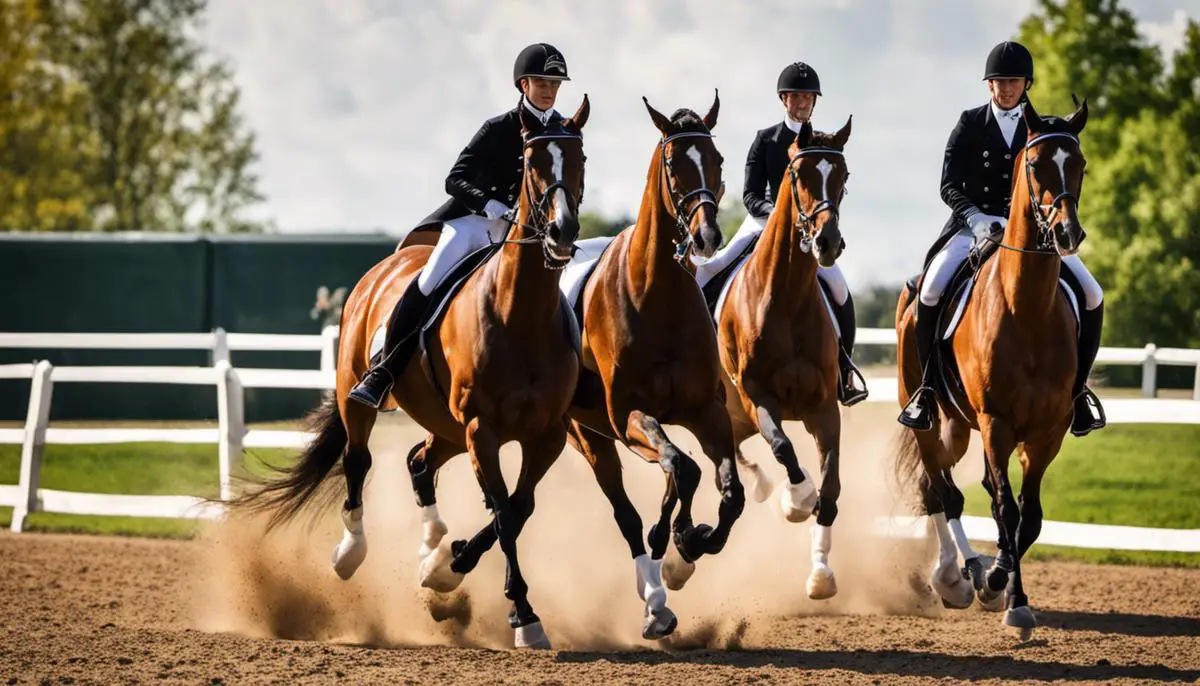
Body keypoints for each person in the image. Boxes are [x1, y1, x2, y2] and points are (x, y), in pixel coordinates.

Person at [897, 40, 1106, 437]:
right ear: (988, 85)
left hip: (1032, 232)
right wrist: (974, 217)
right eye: (998, 81)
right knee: (929, 292)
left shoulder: (1042, 130)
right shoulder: (970, 123)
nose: (1005, 88)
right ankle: (926, 389)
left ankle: (1077, 396)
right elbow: (948, 184)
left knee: (1092, 294)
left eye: (1012, 81)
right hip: (971, 226)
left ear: (1026, 84)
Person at [348, 43, 571, 408]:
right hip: (471, 224)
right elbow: (455, 178)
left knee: (556, 298)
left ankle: (571, 377)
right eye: (542, 82)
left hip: (524, 235)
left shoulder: (564, 130)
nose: (549, 91)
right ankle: (383, 370)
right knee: (429, 281)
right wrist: (488, 203)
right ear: (524, 85)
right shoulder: (498, 128)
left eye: (555, 84)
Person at [694, 61, 867, 406]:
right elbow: (750, 193)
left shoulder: (822, 144)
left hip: (809, 228)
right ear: (784, 99)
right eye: (796, 96)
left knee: (840, 290)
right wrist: (776, 217)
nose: (802, 102)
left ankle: (844, 369)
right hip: (763, 222)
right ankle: (700, 360)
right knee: (708, 271)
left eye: (808, 97)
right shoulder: (766, 139)